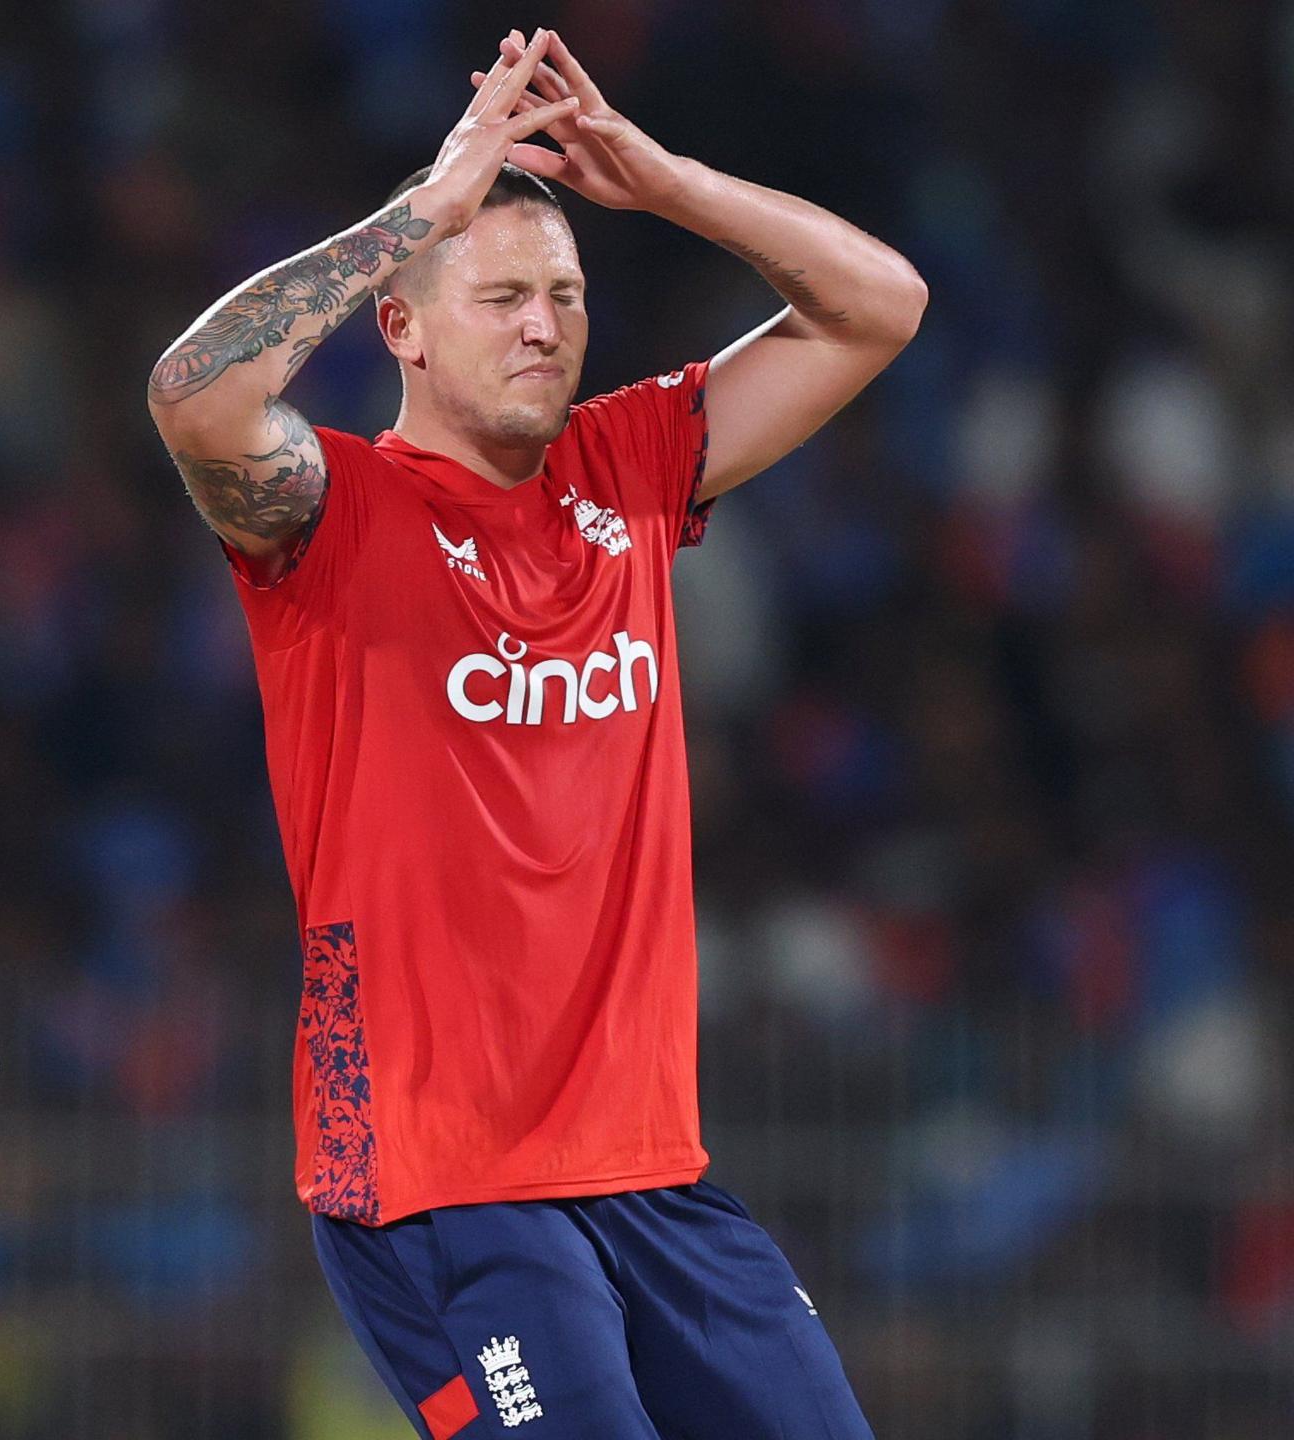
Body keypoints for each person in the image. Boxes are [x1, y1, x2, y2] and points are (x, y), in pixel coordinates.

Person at [146, 29, 923, 1440]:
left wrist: (674, 184)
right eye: (501, 294)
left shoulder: (627, 469)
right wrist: (413, 220)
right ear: (404, 324)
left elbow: (880, 307)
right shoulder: (334, 514)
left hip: (651, 1167)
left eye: (565, 295)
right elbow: (194, 396)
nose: (544, 326)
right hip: (439, 1184)